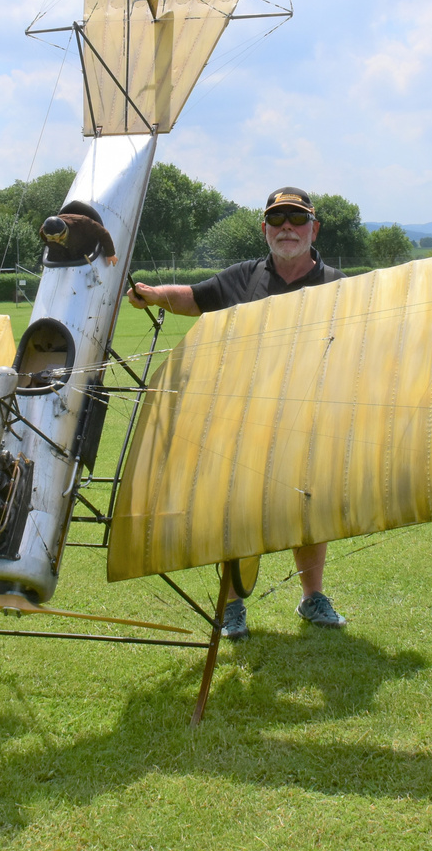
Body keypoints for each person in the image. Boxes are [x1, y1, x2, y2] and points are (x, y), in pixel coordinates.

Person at [129, 186, 347, 640]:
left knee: (310, 506)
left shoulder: (337, 284)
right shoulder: (244, 276)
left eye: (297, 218)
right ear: (265, 229)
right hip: (243, 420)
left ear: (314, 227)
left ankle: (312, 597)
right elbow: (194, 297)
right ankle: (232, 607)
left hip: (311, 420)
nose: (287, 227)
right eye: (277, 219)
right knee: (232, 509)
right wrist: (154, 294)